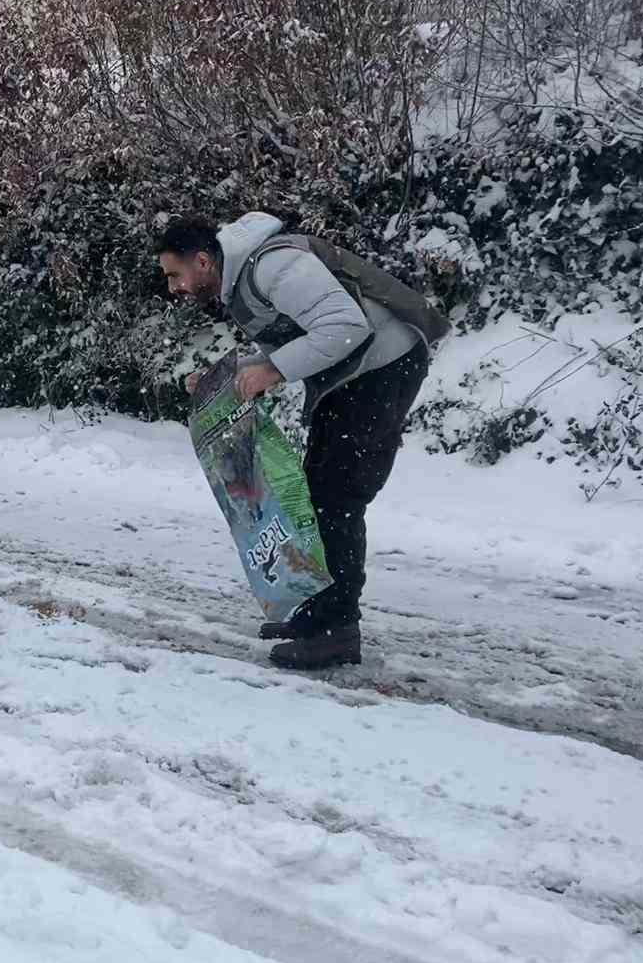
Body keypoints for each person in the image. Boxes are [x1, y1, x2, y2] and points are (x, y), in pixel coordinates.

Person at [157, 211, 443, 669]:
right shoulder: (245, 278)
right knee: (317, 494)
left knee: (338, 498)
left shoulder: (272, 265)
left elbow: (344, 328)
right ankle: (316, 614)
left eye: (175, 274)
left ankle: (336, 631)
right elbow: (294, 336)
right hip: (354, 373)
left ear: (204, 261)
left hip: (383, 368)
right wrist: (222, 378)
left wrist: (271, 372)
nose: (174, 287)